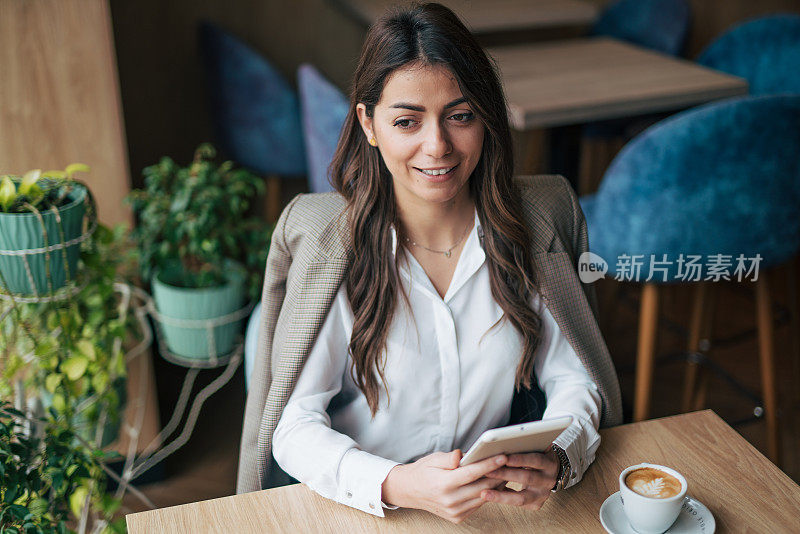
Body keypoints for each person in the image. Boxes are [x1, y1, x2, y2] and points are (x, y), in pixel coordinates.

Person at [237, 2, 622, 524]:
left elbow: (575, 379)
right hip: (364, 509)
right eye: (406, 121)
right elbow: (295, 425)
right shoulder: (333, 251)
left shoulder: (529, 233)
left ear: (486, 118)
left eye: (460, 116)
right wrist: (395, 483)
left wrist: (558, 458)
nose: (437, 146)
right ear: (368, 124)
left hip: (494, 509)